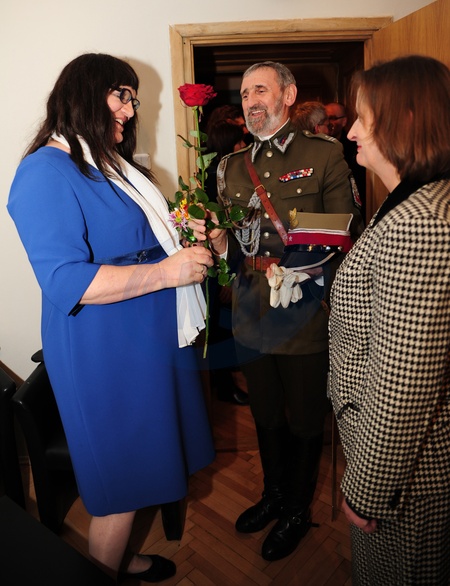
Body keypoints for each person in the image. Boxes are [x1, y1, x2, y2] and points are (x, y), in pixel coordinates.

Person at [7, 53, 216, 582]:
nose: (130, 108)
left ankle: (122, 559)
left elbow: (139, 241)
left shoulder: (108, 164)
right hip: (102, 349)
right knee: (120, 485)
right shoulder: (44, 171)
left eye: (134, 99)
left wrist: (189, 234)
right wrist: (167, 272)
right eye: (122, 95)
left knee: (145, 464)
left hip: (143, 337)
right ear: (85, 92)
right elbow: (66, 281)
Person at [192, 61, 364, 561]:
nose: (250, 101)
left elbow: (344, 231)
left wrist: (298, 269)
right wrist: (220, 243)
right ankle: (273, 494)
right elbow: (237, 249)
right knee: (265, 414)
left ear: (288, 95)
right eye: (245, 93)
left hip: (305, 313)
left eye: (260, 90)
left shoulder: (324, 153)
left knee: (305, 419)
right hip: (251, 314)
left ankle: (297, 510)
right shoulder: (228, 167)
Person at [328, 54, 450, 585]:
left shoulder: (419, 225)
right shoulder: (413, 199)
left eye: (363, 117)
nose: (351, 131)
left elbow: (404, 383)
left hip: (407, 481)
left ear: (405, 120)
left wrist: (367, 490)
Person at [204, 120, 249, 405]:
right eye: (240, 142)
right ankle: (223, 385)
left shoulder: (226, 174)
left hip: (229, 257)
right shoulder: (213, 180)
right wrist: (224, 274)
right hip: (219, 262)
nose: (244, 146)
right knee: (219, 327)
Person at [326, 102, 366, 220]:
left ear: (344, 121)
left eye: (332, 118)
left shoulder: (355, 147)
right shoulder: (318, 147)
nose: (328, 123)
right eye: (326, 119)